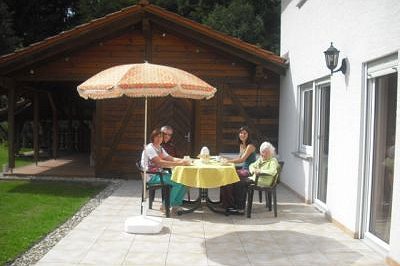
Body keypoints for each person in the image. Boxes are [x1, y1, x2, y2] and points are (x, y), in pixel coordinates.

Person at [141, 128, 190, 214]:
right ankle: (165, 205)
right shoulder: (150, 148)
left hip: (159, 174)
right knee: (178, 182)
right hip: (151, 176)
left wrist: (184, 160)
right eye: (157, 137)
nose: (159, 139)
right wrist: (180, 164)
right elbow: (159, 163)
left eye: (161, 137)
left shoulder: (159, 148)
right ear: (152, 137)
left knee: (185, 182)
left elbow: (170, 158)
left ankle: (175, 205)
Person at [220, 126, 257, 213]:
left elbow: (242, 160)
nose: (242, 135)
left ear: (248, 135)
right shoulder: (242, 145)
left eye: (245, 133)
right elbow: (238, 158)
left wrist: (227, 161)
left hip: (249, 171)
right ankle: (226, 203)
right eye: (241, 133)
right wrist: (223, 157)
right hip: (243, 169)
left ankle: (232, 205)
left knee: (229, 177)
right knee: (224, 176)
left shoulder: (250, 146)